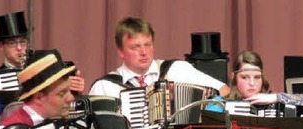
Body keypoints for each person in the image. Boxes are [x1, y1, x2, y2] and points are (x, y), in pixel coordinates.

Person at [89, 17, 230, 98]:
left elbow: (223, 90)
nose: (144, 52)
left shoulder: (177, 70)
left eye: (147, 45)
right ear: (120, 51)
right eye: (135, 47)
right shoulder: (105, 87)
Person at [0, 11, 85, 93]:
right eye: (12, 43)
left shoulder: (46, 70)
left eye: (23, 42)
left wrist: (74, 91)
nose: (19, 48)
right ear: (1, 46)